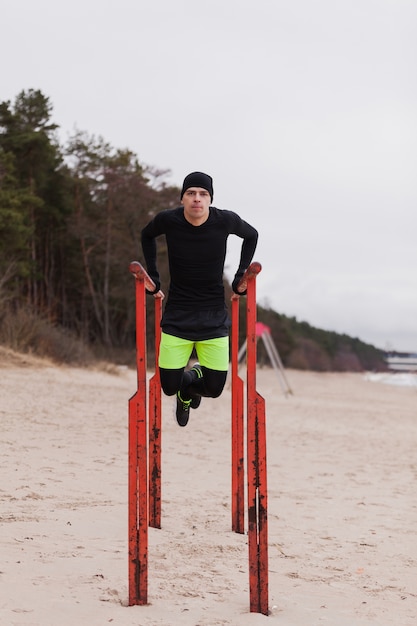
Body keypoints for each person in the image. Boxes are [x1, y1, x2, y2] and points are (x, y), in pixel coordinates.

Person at [141, 171, 258, 427]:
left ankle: (191, 386)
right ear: (182, 198)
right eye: (191, 193)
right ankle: (183, 390)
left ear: (210, 199)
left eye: (203, 194)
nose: (197, 199)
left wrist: (241, 276)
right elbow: (146, 235)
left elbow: (251, 235)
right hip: (177, 315)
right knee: (169, 387)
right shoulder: (168, 220)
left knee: (214, 388)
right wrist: (154, 277)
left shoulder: (224, 220)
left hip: (213, 316)